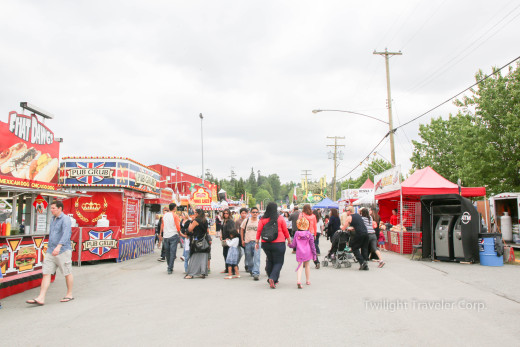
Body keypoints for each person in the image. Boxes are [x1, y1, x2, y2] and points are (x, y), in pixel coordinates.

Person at [26, 201, 73, 306]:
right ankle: (41, 297)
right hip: (51, 249)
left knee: (67, 272)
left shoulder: (65, 219)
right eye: (51, 208)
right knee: (46, 273)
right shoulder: (52, 219)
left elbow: (66, 233)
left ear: (60, 208)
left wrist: (59, 246)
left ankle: (69, 294)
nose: (51, 210)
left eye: (53, 208)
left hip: (63, 250)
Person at [256, 202, 291, 289]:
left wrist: (257, 242)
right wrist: (289, 240)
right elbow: (285, 230)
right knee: (278, 262)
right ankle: (272, 278)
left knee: (270, 260)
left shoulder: (262, 219)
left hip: (265, 243)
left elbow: (259, 231)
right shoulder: (280, 218)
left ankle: (271, 278)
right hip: (279, 243)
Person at [288, 217, 317, 289]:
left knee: (300, 266)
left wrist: (289, 245)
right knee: (307, 266)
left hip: (299, 252)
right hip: (307, 251)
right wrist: (314, 254)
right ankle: (307, 280)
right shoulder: (309, 233)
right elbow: (312, 245)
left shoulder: (297, 233)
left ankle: (298, 281)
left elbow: (294, 245)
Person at [341, 206, 369, 271]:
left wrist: (341, 227)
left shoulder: (349, 217)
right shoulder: (358, 215)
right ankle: (365, 263)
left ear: (349, 211)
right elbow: (359, 225)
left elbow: (344, 228)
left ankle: (362, 262)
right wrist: (352, 228)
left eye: (346, 210)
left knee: (354, 247)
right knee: (364, 248)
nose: (346, 212)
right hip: (365, 233)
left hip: (359, 234)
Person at [185, 209, 210, 279]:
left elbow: (189, 229)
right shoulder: (205, 221)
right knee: (203, 257)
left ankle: (191, 273)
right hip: (204, 240)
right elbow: (207, 230)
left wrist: (191, 222)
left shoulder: (196, 221)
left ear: (198, 213)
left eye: (195, 213)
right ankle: (203, 272)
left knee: (194, 257)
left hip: (197, 240)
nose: (194, 214)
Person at [240, 206, 261, 280]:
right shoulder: (246, 220)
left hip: (256, 242)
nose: (255, 213)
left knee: (257, 258)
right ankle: (251, 270)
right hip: (247, 242)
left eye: (256, 212)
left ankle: (256, 273)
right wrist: (242, 240)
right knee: (249, 258)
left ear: (258, 213)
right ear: (251, 213)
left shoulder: (259, 221)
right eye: (253, 212)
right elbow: (242, 230)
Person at [161, 203, 181, 275]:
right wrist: (179, 233)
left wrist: (162, 233)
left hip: (166, 235)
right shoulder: (175, 215)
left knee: (167, 252)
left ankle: (169, 266)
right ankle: (170, 267)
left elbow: (162, 225)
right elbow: (177, 225)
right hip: (173, 235)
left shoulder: (164, 215)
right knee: (172, 252)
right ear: (174, 208)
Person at [220, 209, 236, 274]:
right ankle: (227, 268)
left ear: (229, 214)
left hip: (230, 240)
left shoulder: (230, 221)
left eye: (227, 213)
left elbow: (232, 231)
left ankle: (232, 270)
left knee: (230, 255)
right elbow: (222, 229)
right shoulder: (224, 221)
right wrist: (221, 235)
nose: (225, 214)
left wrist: (229, 238)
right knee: (225, 254)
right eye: (224, 213)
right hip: (224, 240)